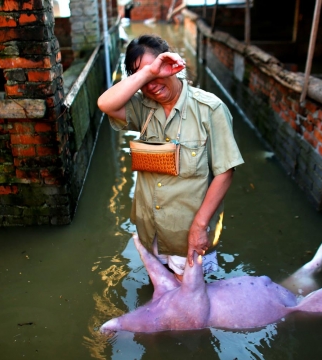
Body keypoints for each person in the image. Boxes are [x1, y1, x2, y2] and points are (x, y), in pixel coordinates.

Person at [97, 34, 244, 281]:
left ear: (172, 65)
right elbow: (105, 104)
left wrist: (199, 227)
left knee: (189, 313)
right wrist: (147, 73)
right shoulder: (143, 108)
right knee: (161, 299)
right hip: (151, 231)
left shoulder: (209, 109)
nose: (152, 84)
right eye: (143, 77)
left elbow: (225, 172)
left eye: (158, 71)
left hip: (186, 235)